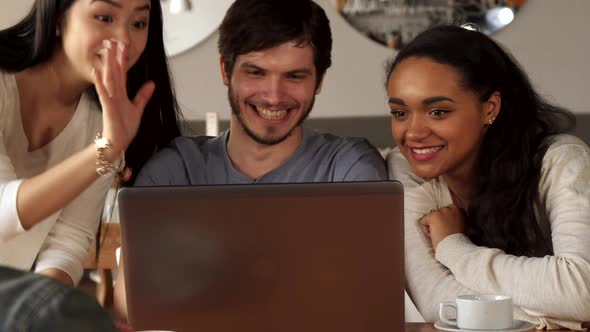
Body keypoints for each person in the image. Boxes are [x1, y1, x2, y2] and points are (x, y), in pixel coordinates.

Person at [112, 0, 387, 321]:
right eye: (256, 72)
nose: (273, 95)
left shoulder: (350, 168)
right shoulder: (175, 169)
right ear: (225, 70)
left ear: (320, 81)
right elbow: (131, 308)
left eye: (295, 76)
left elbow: (366, 301)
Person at [385, 25, 590, 330]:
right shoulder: (405, 169)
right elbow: (435, 301)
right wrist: (551, 318)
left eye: (438, 112)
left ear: (489, 108)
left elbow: (581, 291)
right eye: (400, 113)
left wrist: (453, 247)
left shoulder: (561, 160)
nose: (413, 133)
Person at [0, 0, 181, 287]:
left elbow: (68, 242)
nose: (123, 40)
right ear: (58, 17)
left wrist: (42, 309)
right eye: (104, 17)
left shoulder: (104, 122)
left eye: (138, 23)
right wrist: (105, 150)